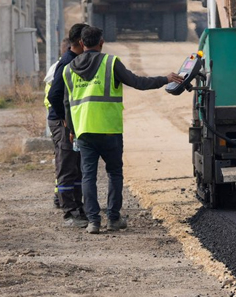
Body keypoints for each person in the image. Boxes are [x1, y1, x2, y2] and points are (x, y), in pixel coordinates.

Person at [63, 26, 183, 234]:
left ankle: (93, 222)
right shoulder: (110, 63)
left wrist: (72, 130)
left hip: (84, 131)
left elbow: (67, 104)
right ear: (101, 43)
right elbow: (137, 82)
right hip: (109, 130)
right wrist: (165, 79)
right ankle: (113, 219)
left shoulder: (68, 69)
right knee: (114, 174)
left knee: (88, 177)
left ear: (82, 44)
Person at [45, 25, 87, 226]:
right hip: (63, 123)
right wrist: (64, 119)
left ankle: (78, 207)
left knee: (76, 167)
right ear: (81, 42)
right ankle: (69, 213)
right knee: (67, 166)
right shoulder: (67, 63)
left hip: (71, 122)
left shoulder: (74, 60)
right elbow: (53, 95)